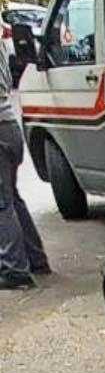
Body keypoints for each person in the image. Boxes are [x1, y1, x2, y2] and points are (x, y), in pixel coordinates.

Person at [0, 46, 49, 289]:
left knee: (3, 203)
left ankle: (15, 271)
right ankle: (35, 259)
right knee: (12, 197)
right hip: (8, 125)